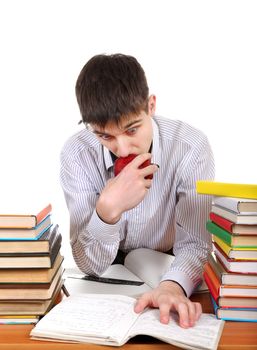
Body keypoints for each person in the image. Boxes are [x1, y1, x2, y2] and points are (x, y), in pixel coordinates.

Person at [60, 53, 215, 328]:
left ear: (150, 105)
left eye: (132, 130)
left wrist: (172, 287)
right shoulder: (77, 154)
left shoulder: (190, 147)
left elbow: (196, 242)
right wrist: (107, 212)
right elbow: (87, 264)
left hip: (170, 263)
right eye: (105, 136)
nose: (122, 149)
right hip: (109, 271)